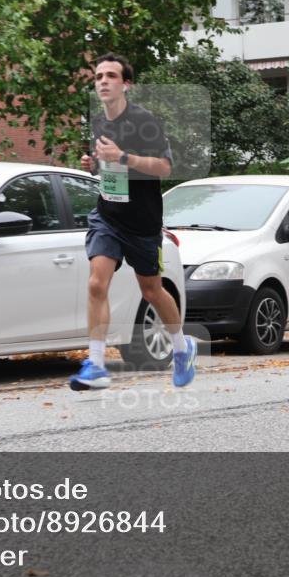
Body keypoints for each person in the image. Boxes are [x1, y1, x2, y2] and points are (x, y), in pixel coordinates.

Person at [69, 52, 197, 391]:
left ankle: (182, 348)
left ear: (126, 84)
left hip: (142, 222)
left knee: (151, 290)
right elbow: (108, 166)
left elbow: (165, 168)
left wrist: (123, 157)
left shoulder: (144, 122)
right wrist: (94, 164)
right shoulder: (99, 121)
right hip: (108, 216)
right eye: (98, 76)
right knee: (97, 283)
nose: (103, 82)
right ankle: (96, 365)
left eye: (111, 76)